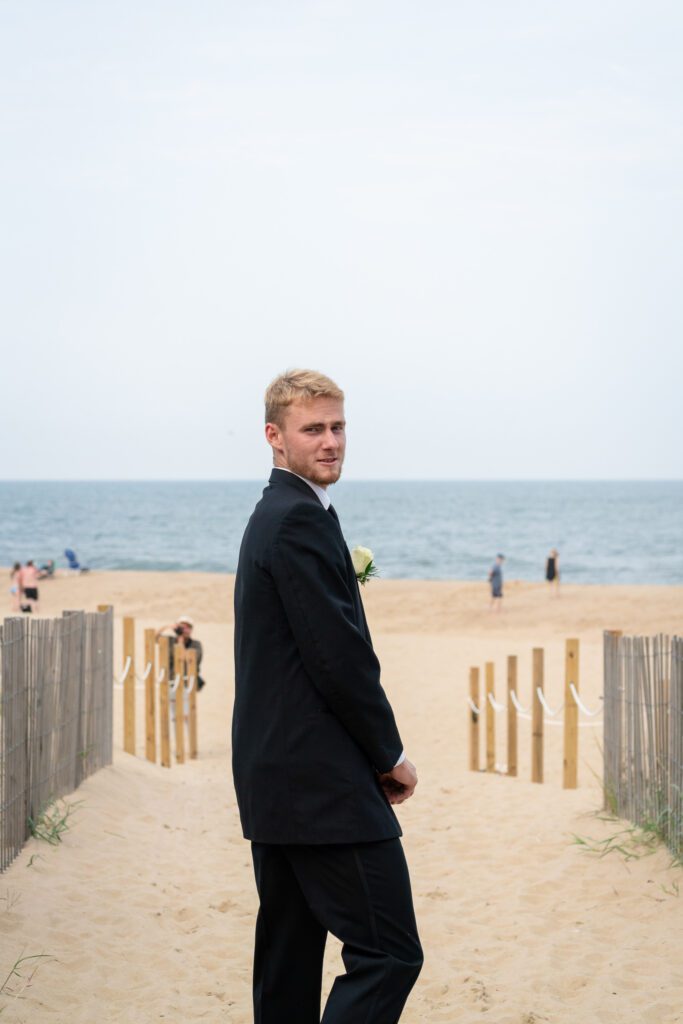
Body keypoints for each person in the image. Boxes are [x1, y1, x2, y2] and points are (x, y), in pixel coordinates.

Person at [232, 369, 423, 1024]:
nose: (331, 441)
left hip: (274, 774)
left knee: (287, 961)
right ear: (274, 437)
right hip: (317, 782)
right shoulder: (293, 523)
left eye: (337, 426)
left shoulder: (281, 515)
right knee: (390, 954)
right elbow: (336, 659)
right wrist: (386, 753)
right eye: (312, 428)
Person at [155, 616, 205, 719]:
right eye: (182, 627)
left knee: (186, 716)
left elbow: (192, 660)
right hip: (171, 681)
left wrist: (181, 643)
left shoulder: (196, 644)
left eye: (187, 627)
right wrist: (168, 627)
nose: (184, 629)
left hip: (187, 684)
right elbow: (154, 637)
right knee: (172, 716)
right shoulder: (169, 640)